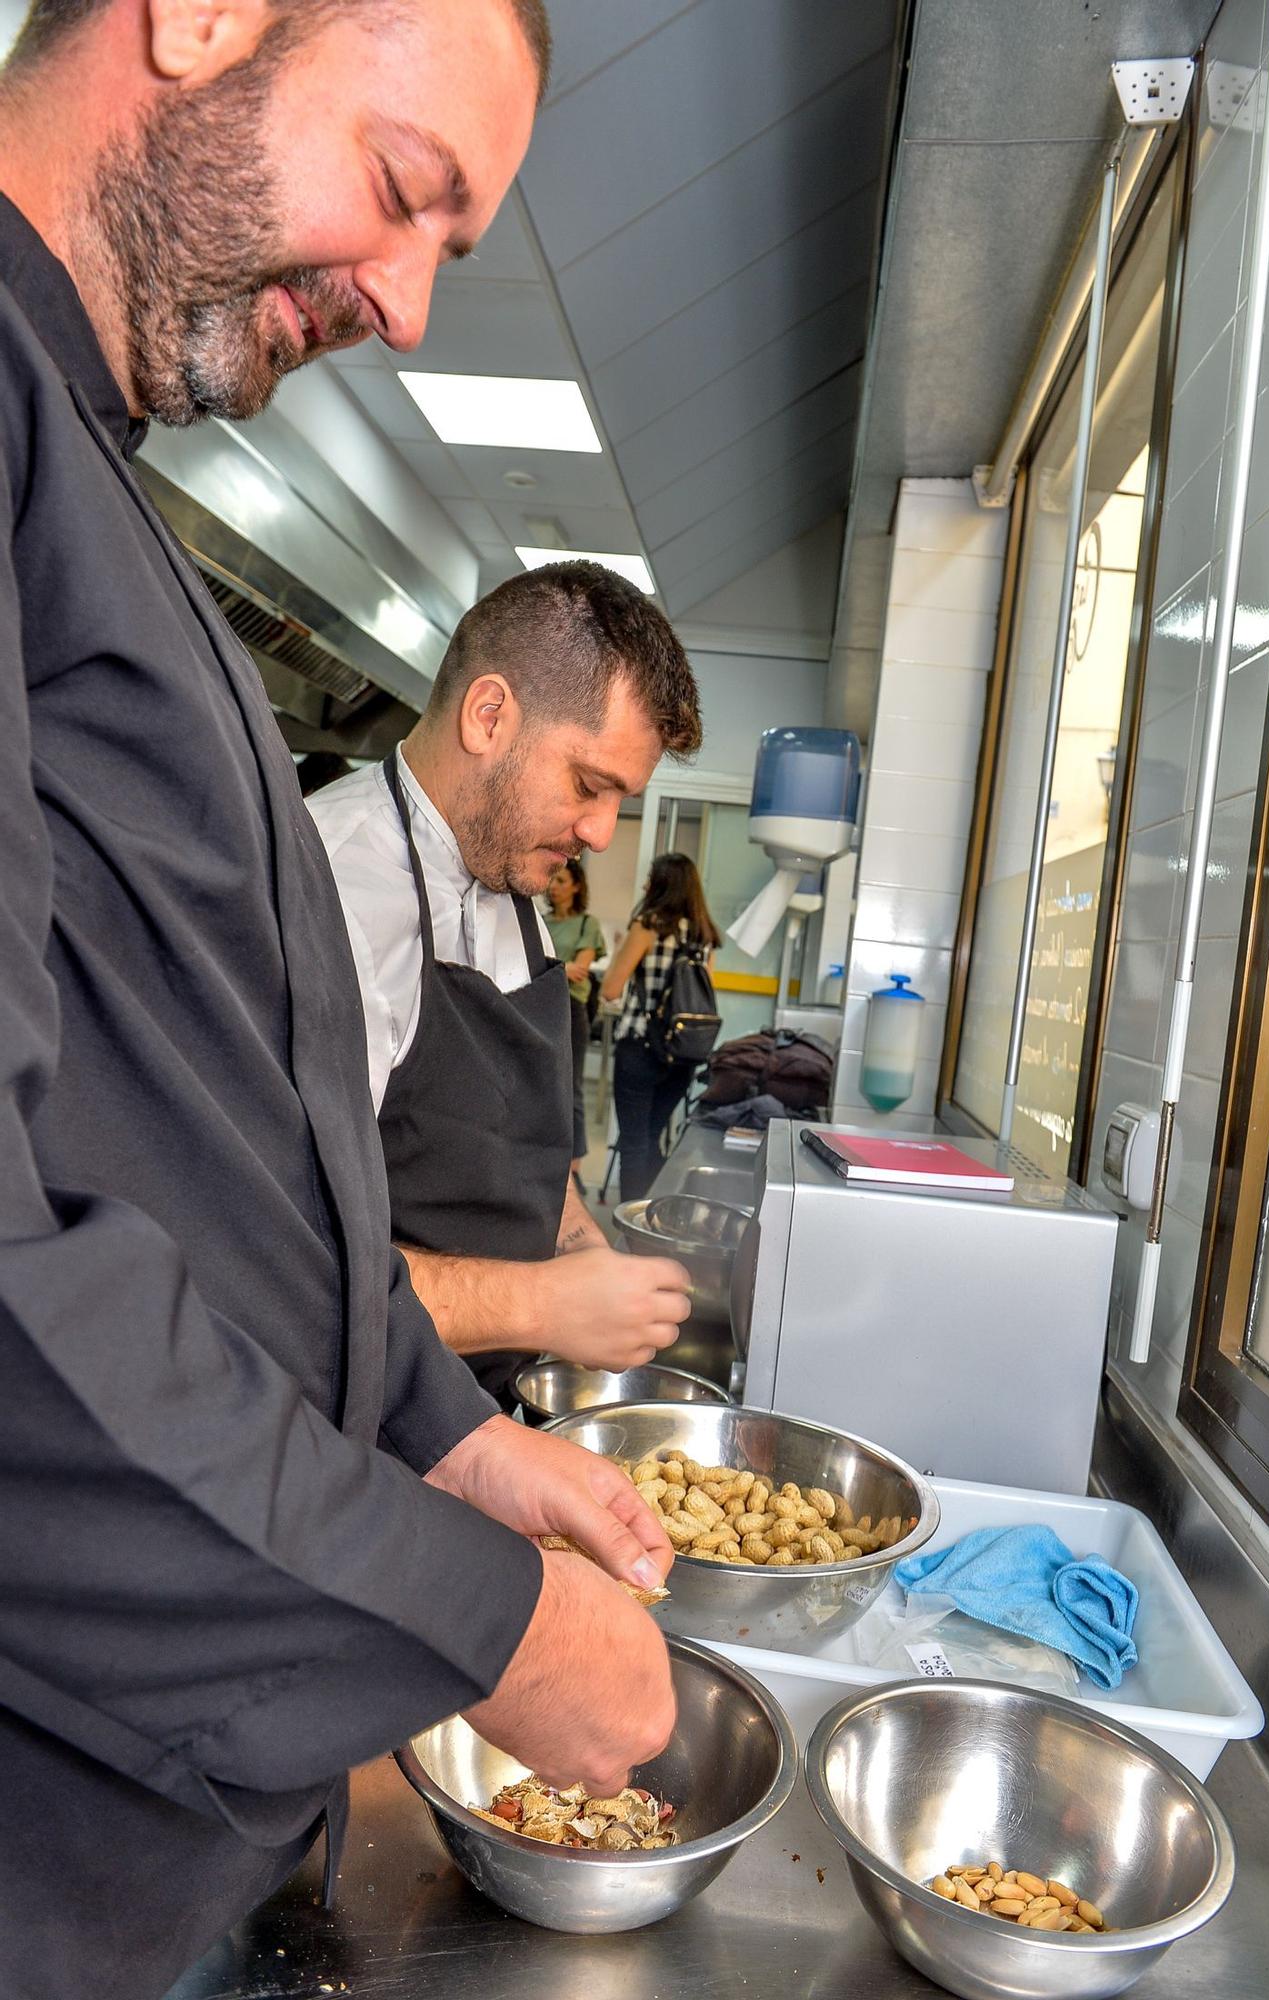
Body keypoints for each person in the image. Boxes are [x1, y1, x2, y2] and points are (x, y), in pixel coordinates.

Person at [0, 5, 677, 1995]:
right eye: (403, 193)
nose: (401, 306)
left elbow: (206, 1153)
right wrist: (487, 1617)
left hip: (171, 1850)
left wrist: (435, 1429)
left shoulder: (99, 474)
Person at [310, 562, 702, 1400]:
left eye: (620, 802)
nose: (600, 833)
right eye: (589, 785)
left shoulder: (510, 872)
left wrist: (581, 1252)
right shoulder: (328, 890)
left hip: (483, 1399)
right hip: (348, 1424)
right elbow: (280, 1258)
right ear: (489, 716)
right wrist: (541, 1304)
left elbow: (525, 1148)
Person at [603, 852, 723, 1203]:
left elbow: (611, 987)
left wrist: (619, 953)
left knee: (634, 1143)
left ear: (662, 885)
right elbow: (703, 996)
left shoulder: (648, 925)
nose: (644, 885)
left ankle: (631, 1234)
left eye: (650, 878)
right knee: (652, 1136)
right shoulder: (705, 935)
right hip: (683, 1053)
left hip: (641, 1046)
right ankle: (654, 1221)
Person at [545, 856, 606, 1183]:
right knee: (542, 1085)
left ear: (577, 887)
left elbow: (580, 969)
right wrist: (561, 968)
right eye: (553, 880)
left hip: (571, 1009)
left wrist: (549, 966)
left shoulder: (587, 925)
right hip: (541, 1006)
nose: (554, 887)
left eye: (562, 882)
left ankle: (574, 1166)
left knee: (573, 1087)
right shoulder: (539, 921)